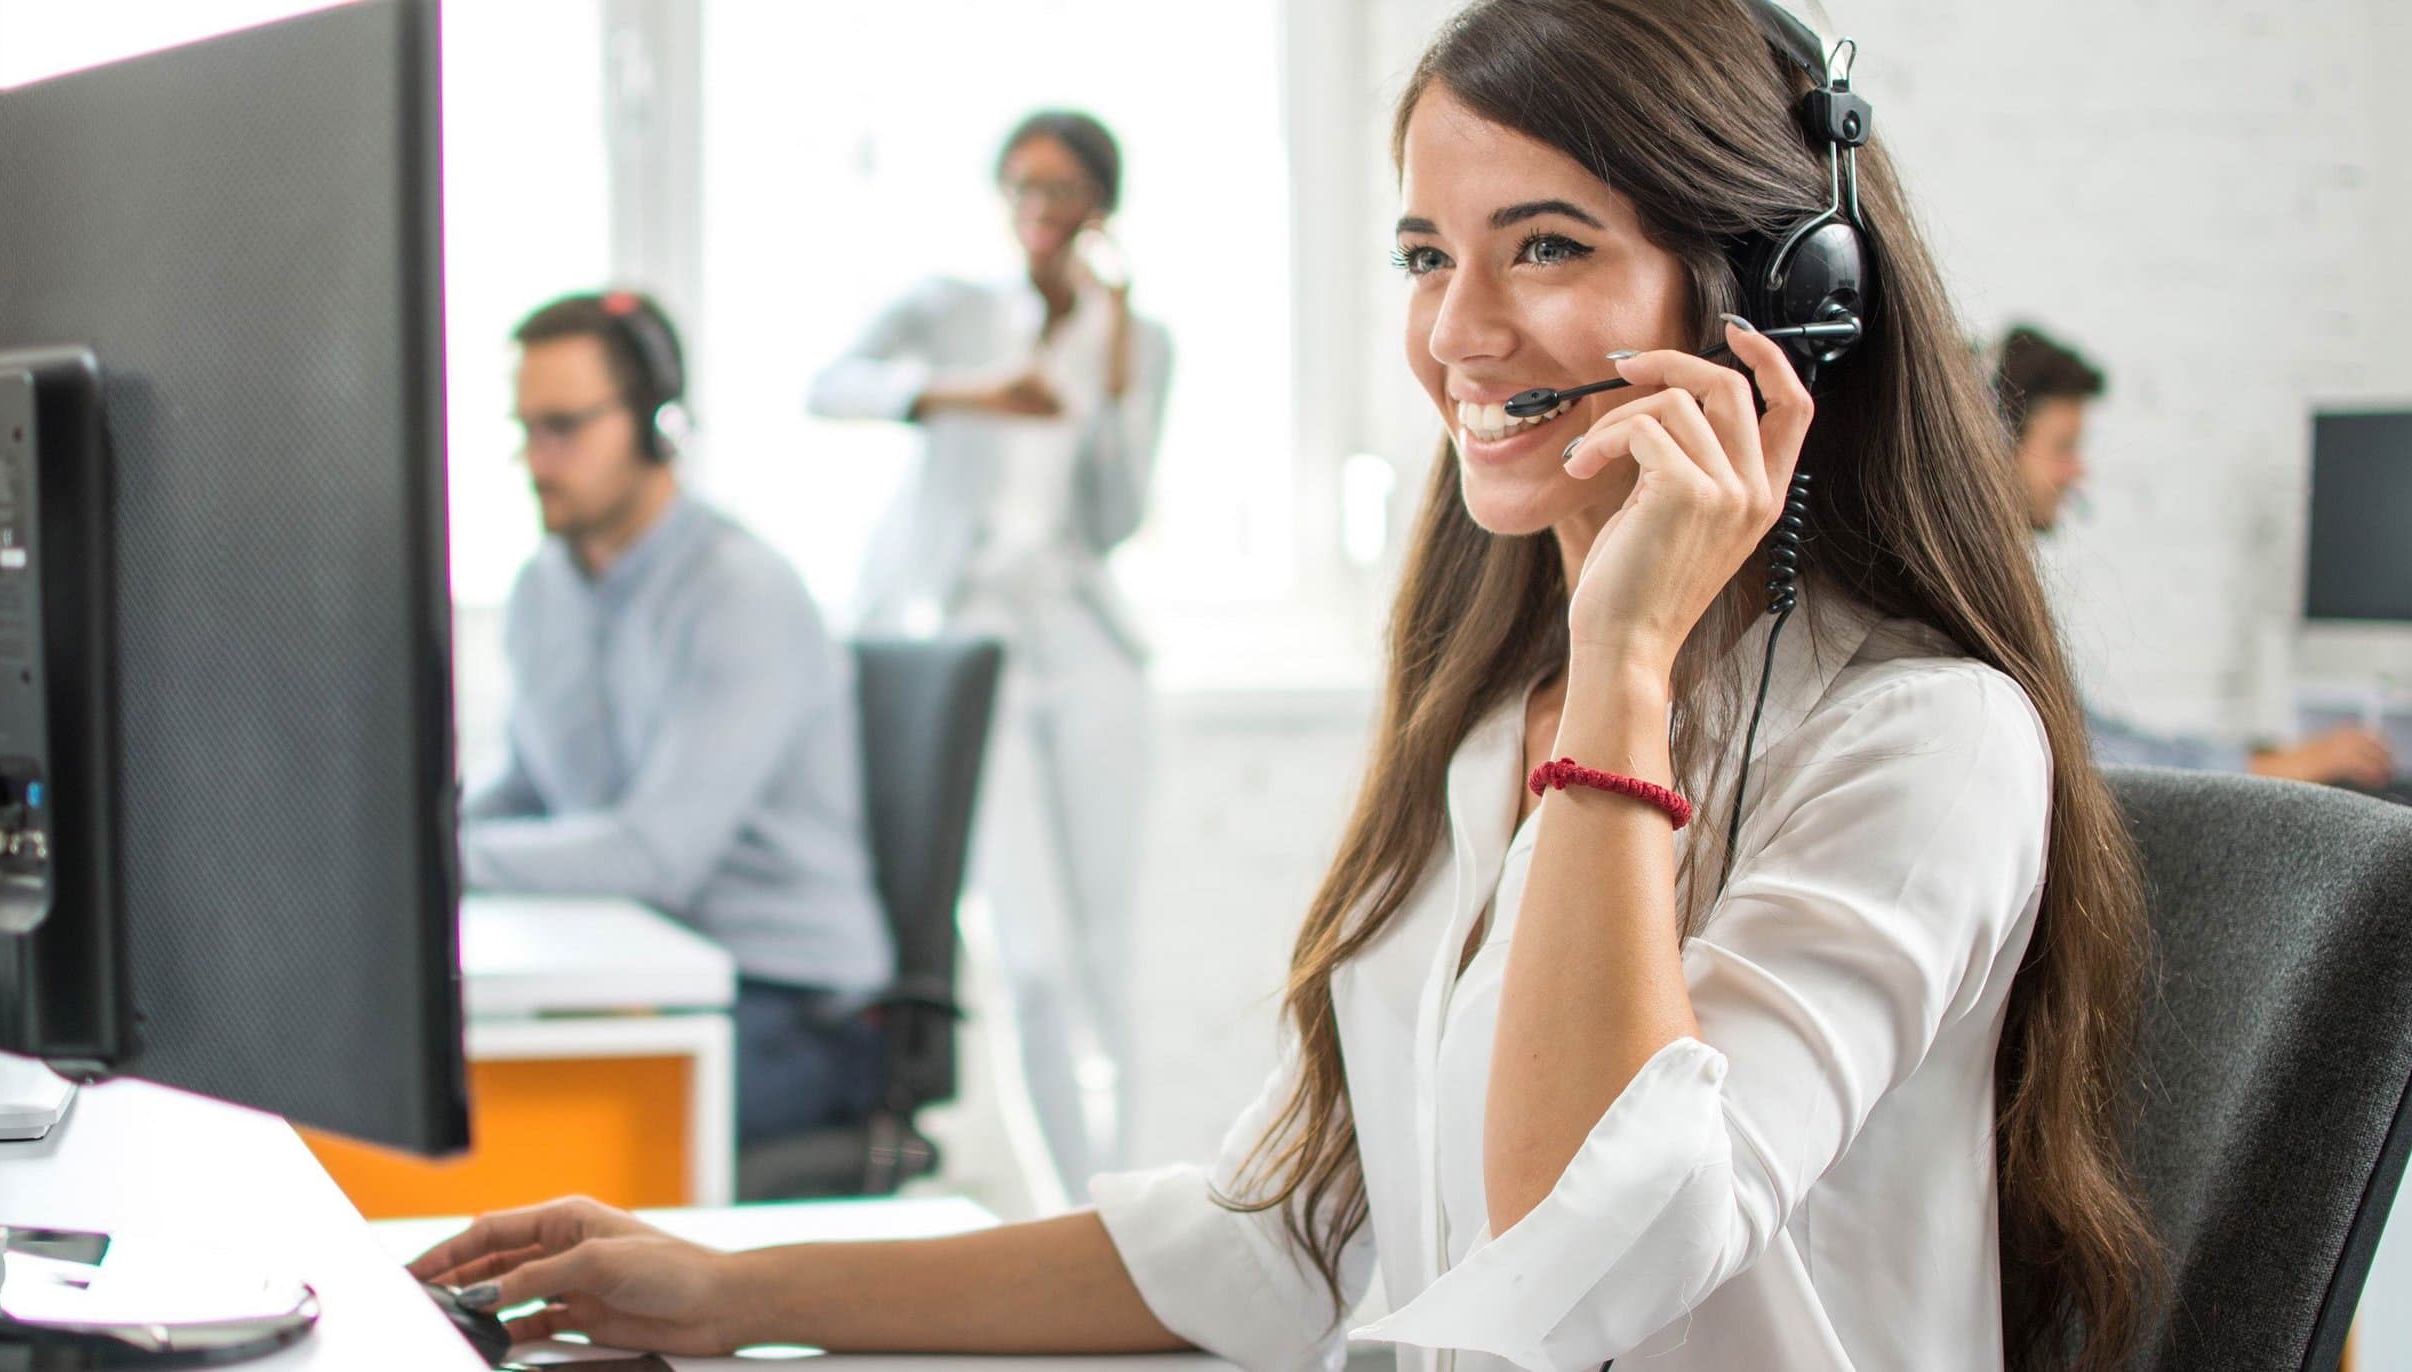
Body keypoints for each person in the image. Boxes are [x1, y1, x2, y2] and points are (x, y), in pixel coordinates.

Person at [413, 5, 2158, 1369]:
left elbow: (1590, 1258)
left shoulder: (1923, 741)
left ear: (1784, 303)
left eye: (1546, 247)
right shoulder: (1490, 723)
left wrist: (1624, 664)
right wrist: (728, 1291)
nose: (1457, 334)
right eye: (1425, 255)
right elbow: (1284, 1236)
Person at [806, 109, 1173, 1196]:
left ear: (1100, 206)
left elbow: (1116, 518)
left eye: (1060, 189)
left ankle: (1121, 1202)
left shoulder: (1139, 339)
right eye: (1020, 186)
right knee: (1031, 958)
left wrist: (1116, 369)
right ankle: (1069, 1207)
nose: (1037, 209)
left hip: (1083, 638)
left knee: (1106, 953)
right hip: (967, 637)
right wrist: (966, 394)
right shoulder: (951, 309)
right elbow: (829, 385)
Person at [462, 290, 890, 1149]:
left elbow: (656, 857)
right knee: (457, 1079)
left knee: (518, 1128)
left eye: (564, 428)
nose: (538, 461)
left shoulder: (738, 592)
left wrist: (442, 865)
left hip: (790, 1006)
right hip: (642, 972)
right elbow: (532, 789)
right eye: (526, 430)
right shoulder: (544, 587)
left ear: (659, 425)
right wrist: (408, 845)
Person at [1995, 323, 2396, 786]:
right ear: (1995, 447)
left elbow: (2100, 738)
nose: (2077, 470)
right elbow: (2107, 764)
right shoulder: (1990, 596)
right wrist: (2283, 768)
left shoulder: (2007, 582)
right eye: (2064, 447)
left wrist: (2268, 759)